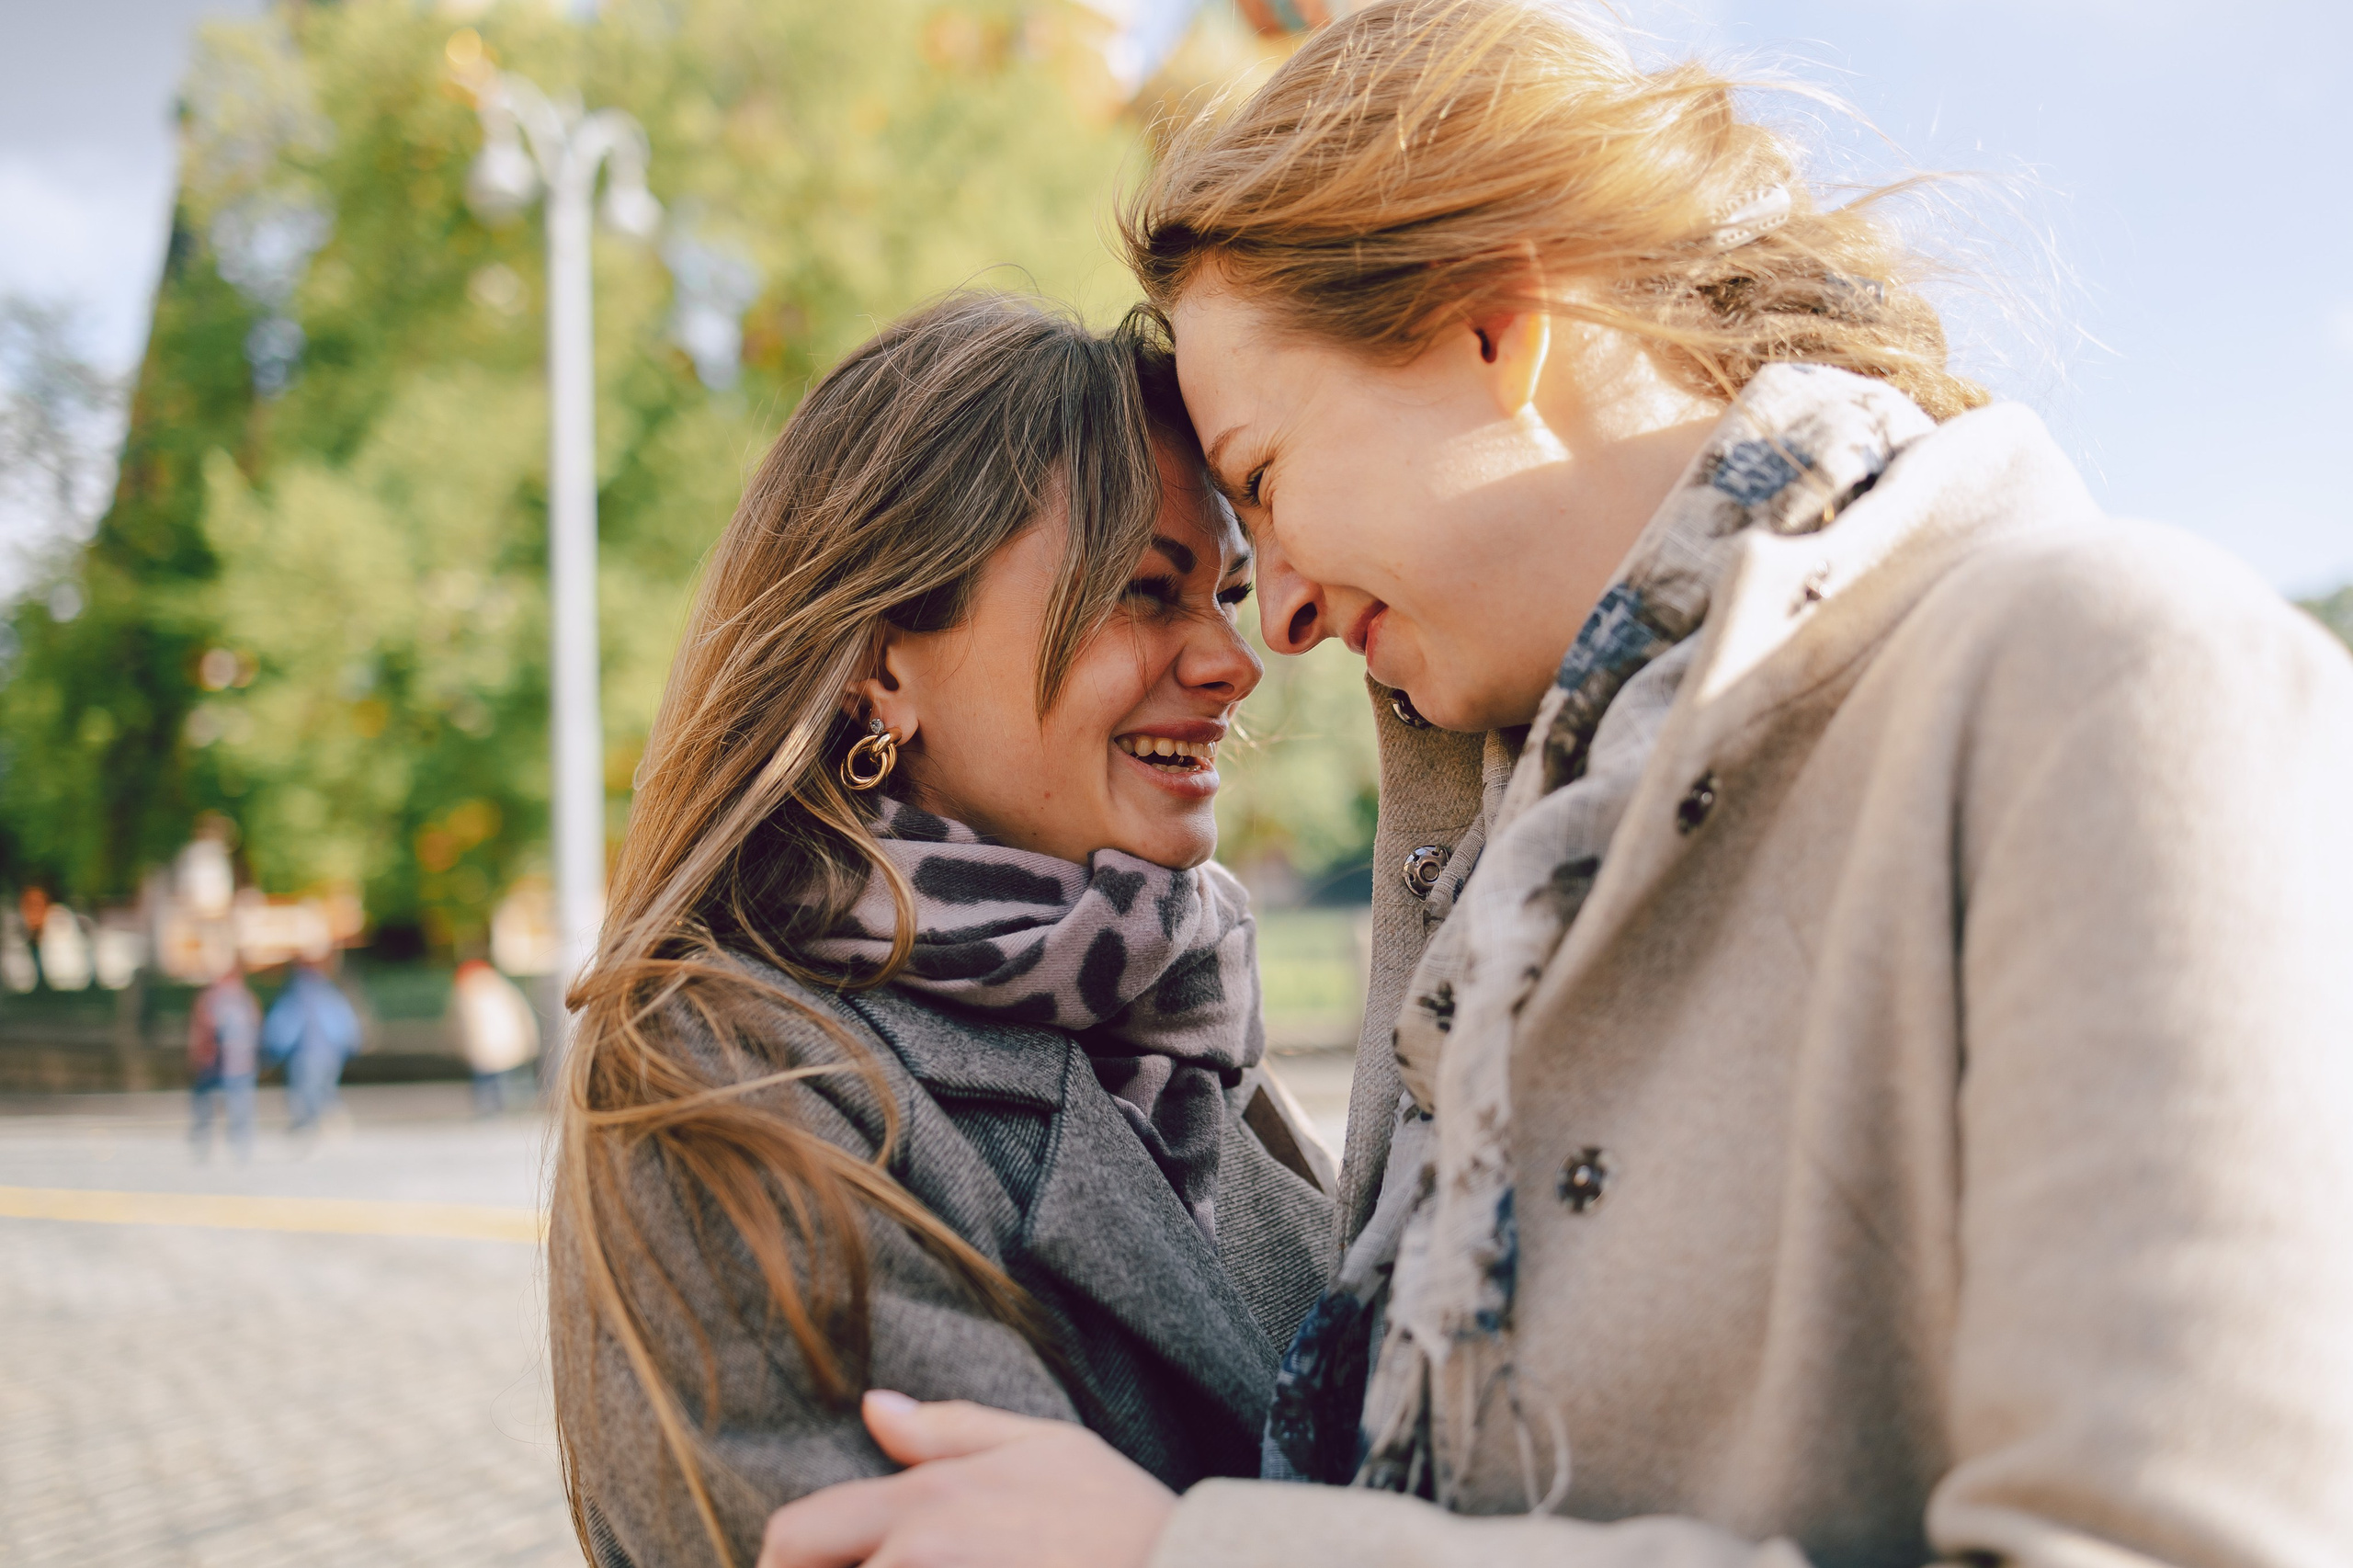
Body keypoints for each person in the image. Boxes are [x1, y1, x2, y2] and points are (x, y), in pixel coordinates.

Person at [755, 5, 2353, 1568]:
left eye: (1263, 481)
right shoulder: (1496, 859)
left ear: (1490, 326)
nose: (1283, 613)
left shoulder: (2111, 682)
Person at [546, 294, 1336, 1568]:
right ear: (883, 659)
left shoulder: (1171, 1009)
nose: (1233, 662)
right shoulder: (727, 1067)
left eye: (1229, 595)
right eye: (1145, 590)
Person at [264, 958, 361, 1134]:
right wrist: (347, 1045)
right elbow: (345, 1024)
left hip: (306, 1053)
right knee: (324, 1089)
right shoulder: (329, 992)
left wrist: (274, 1050)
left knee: (305, 1090)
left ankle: (310, 1125)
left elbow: (285, 1026)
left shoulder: (297, 994)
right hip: (330, 1054)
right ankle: (331, 1122)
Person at [187, 960, 261, 1161]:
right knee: (239, 1110)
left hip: (214, 1065)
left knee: (206, 1109)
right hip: (240, 1066)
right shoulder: (245, 999)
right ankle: (240, 1151)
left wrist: (197, 1056)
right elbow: (256, 1028)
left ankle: (203, 1148)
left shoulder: (211, 998)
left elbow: (201, 1030)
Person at [449, 958, 540, 1116]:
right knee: (515, 1085)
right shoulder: (504, 988)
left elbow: (462, 1028)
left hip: (486, 1049)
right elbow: (524, 1016)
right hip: (513, 1045)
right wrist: (531, 1041)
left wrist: (463, 1048)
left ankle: (493, 1117)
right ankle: (521, 1115)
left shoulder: (466, 995)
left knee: (488, 1090)